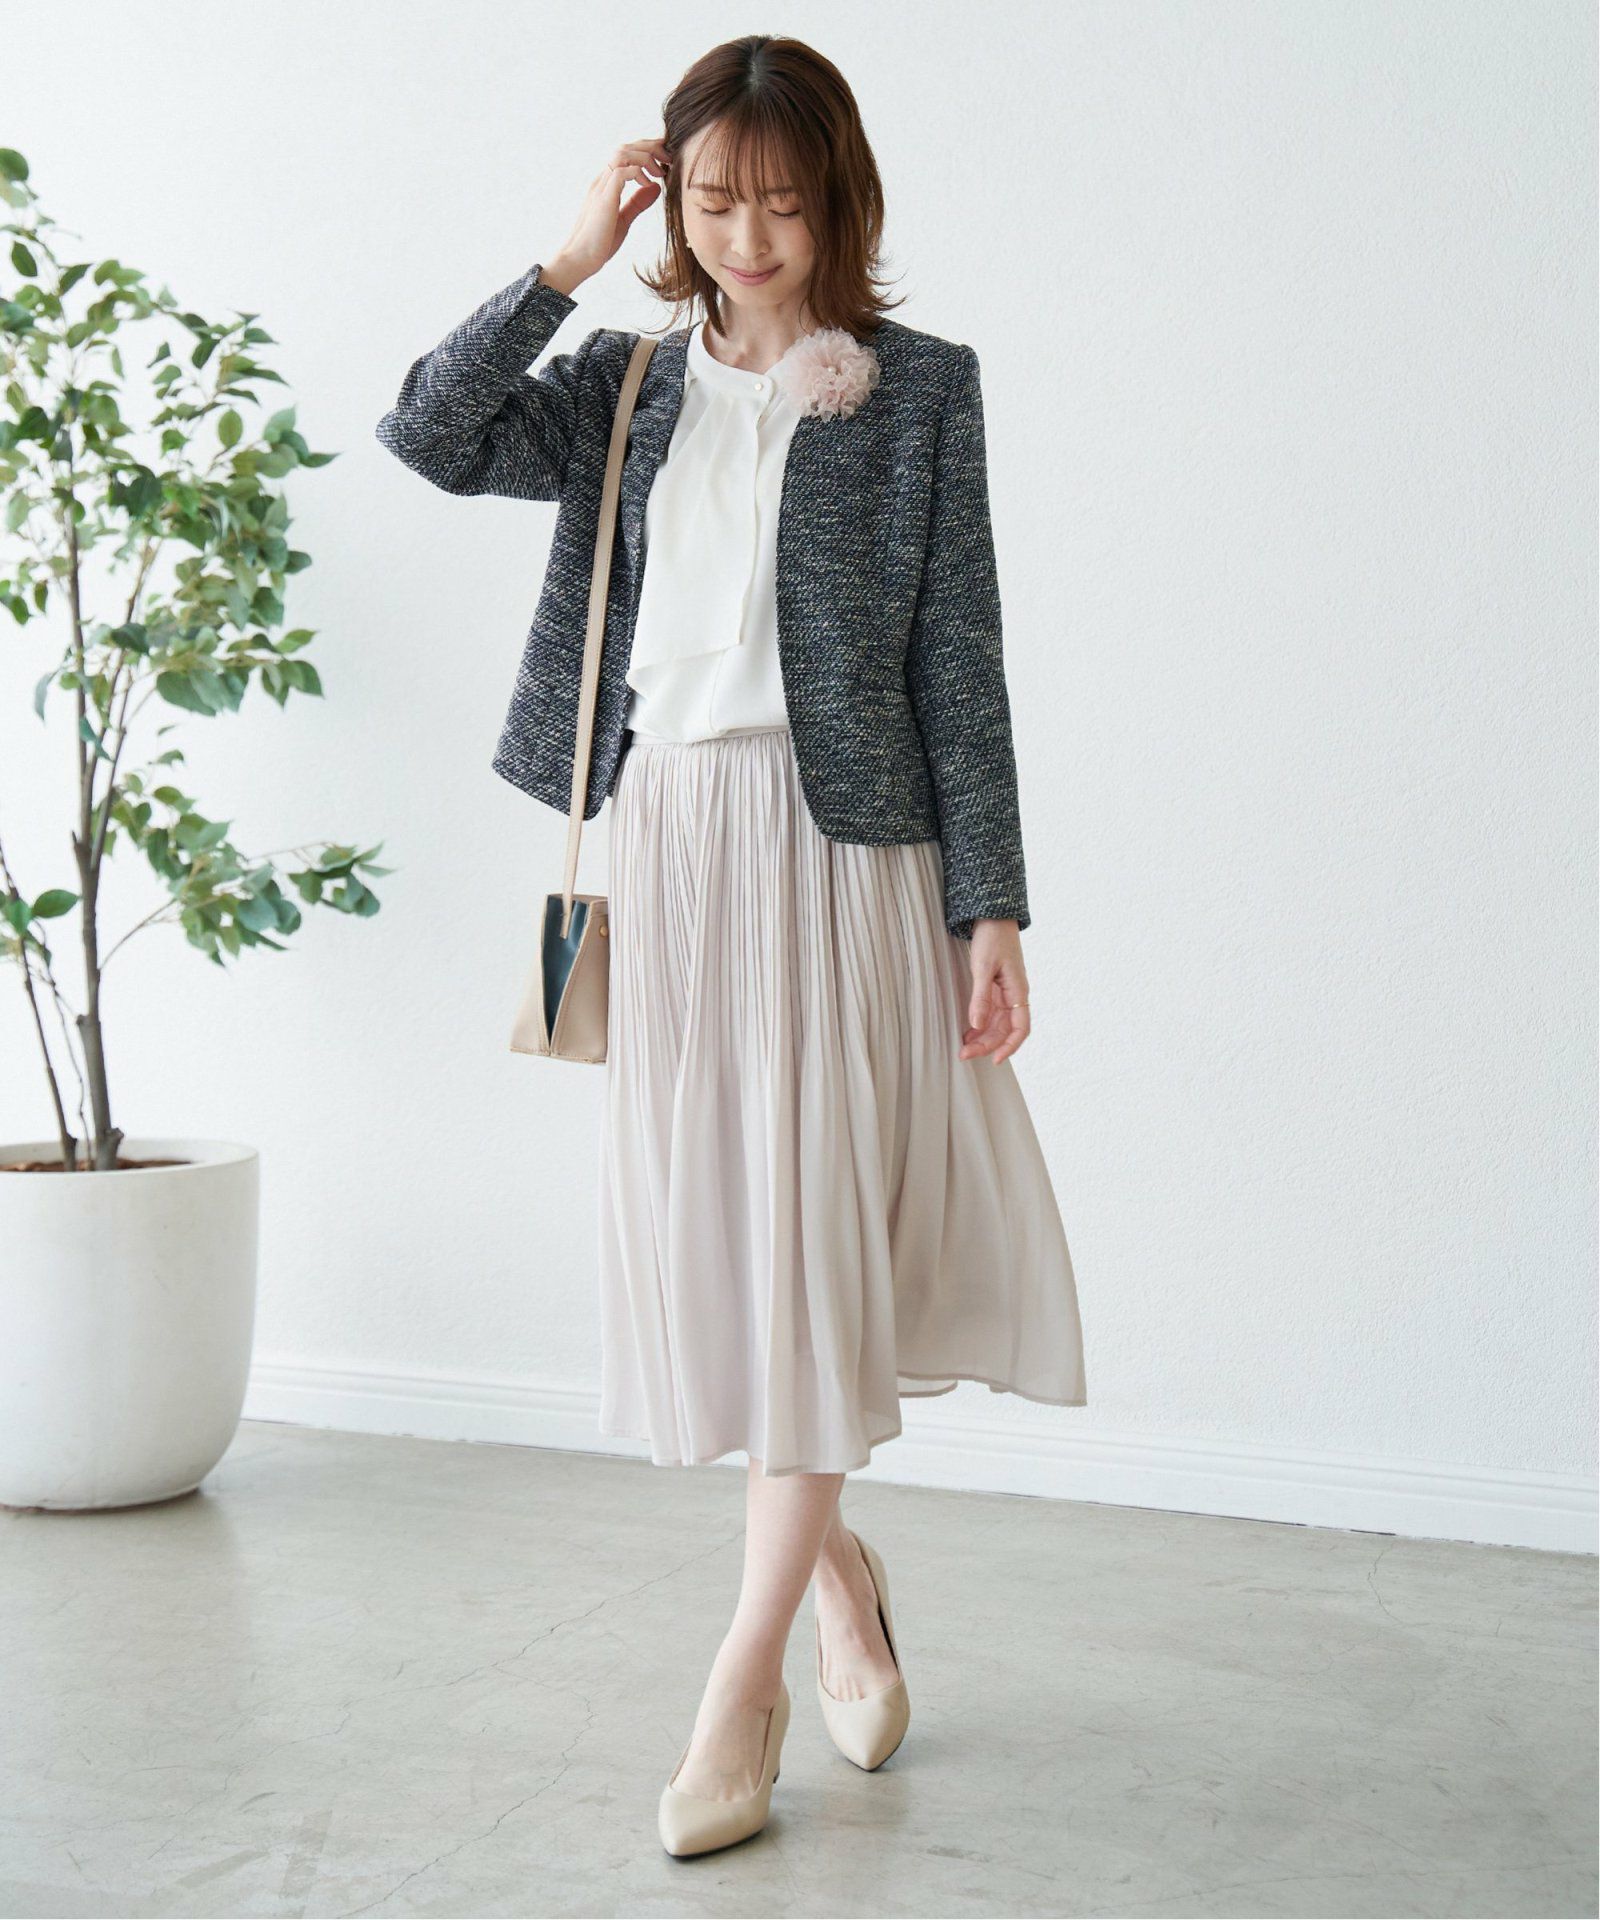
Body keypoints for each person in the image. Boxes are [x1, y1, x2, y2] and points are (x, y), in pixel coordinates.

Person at [376, 32, 1086, 1860]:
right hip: (676, 848)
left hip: (852, 862)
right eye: (710, 200)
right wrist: (564, 259)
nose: (747, 236)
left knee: (813, 1259)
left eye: (780, 201)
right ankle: (841, 1576)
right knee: (731, 1265)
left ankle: (741, 1681)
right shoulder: (621, 388)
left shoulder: (922, 393)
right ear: (669, 203)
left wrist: (992, 903)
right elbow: (431, 432)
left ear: (839, 200)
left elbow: (961, 661)